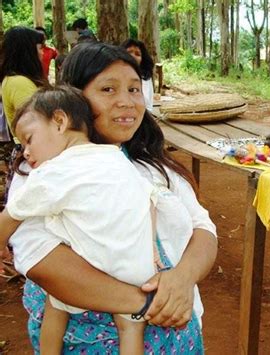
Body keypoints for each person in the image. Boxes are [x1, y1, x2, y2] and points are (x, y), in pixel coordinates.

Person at [7, 42, 217, 352]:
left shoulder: (151, 163)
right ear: (74, 99)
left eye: (134, 90)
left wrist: (183, 279)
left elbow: (203, 227)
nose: (127, 102)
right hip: (88, 336)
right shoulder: (42, 168)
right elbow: (40, 259)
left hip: (174, 331)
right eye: (108, 90)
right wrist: (148, 303)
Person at [0, 86, 164, 354]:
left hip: (96, 274)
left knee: (55, 304)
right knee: (131, 328)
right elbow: (150, 201)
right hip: (140, 272)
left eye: (29, 140)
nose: (26, 153)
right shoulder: (116, 157)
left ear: (60, 122)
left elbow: (11, 215)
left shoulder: (53, 172)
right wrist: (152, 248)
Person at [0, 26, 48, 201]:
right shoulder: (19, 83)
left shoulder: (13, 79)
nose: (43, 53)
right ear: (28, 50)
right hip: (33, 152)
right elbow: (36, 124)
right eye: (40, 47)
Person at [121, 38, 156, 112]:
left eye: (137, 54)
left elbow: (147, 105)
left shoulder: (144, 78)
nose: (133, 56)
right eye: (129, 52)